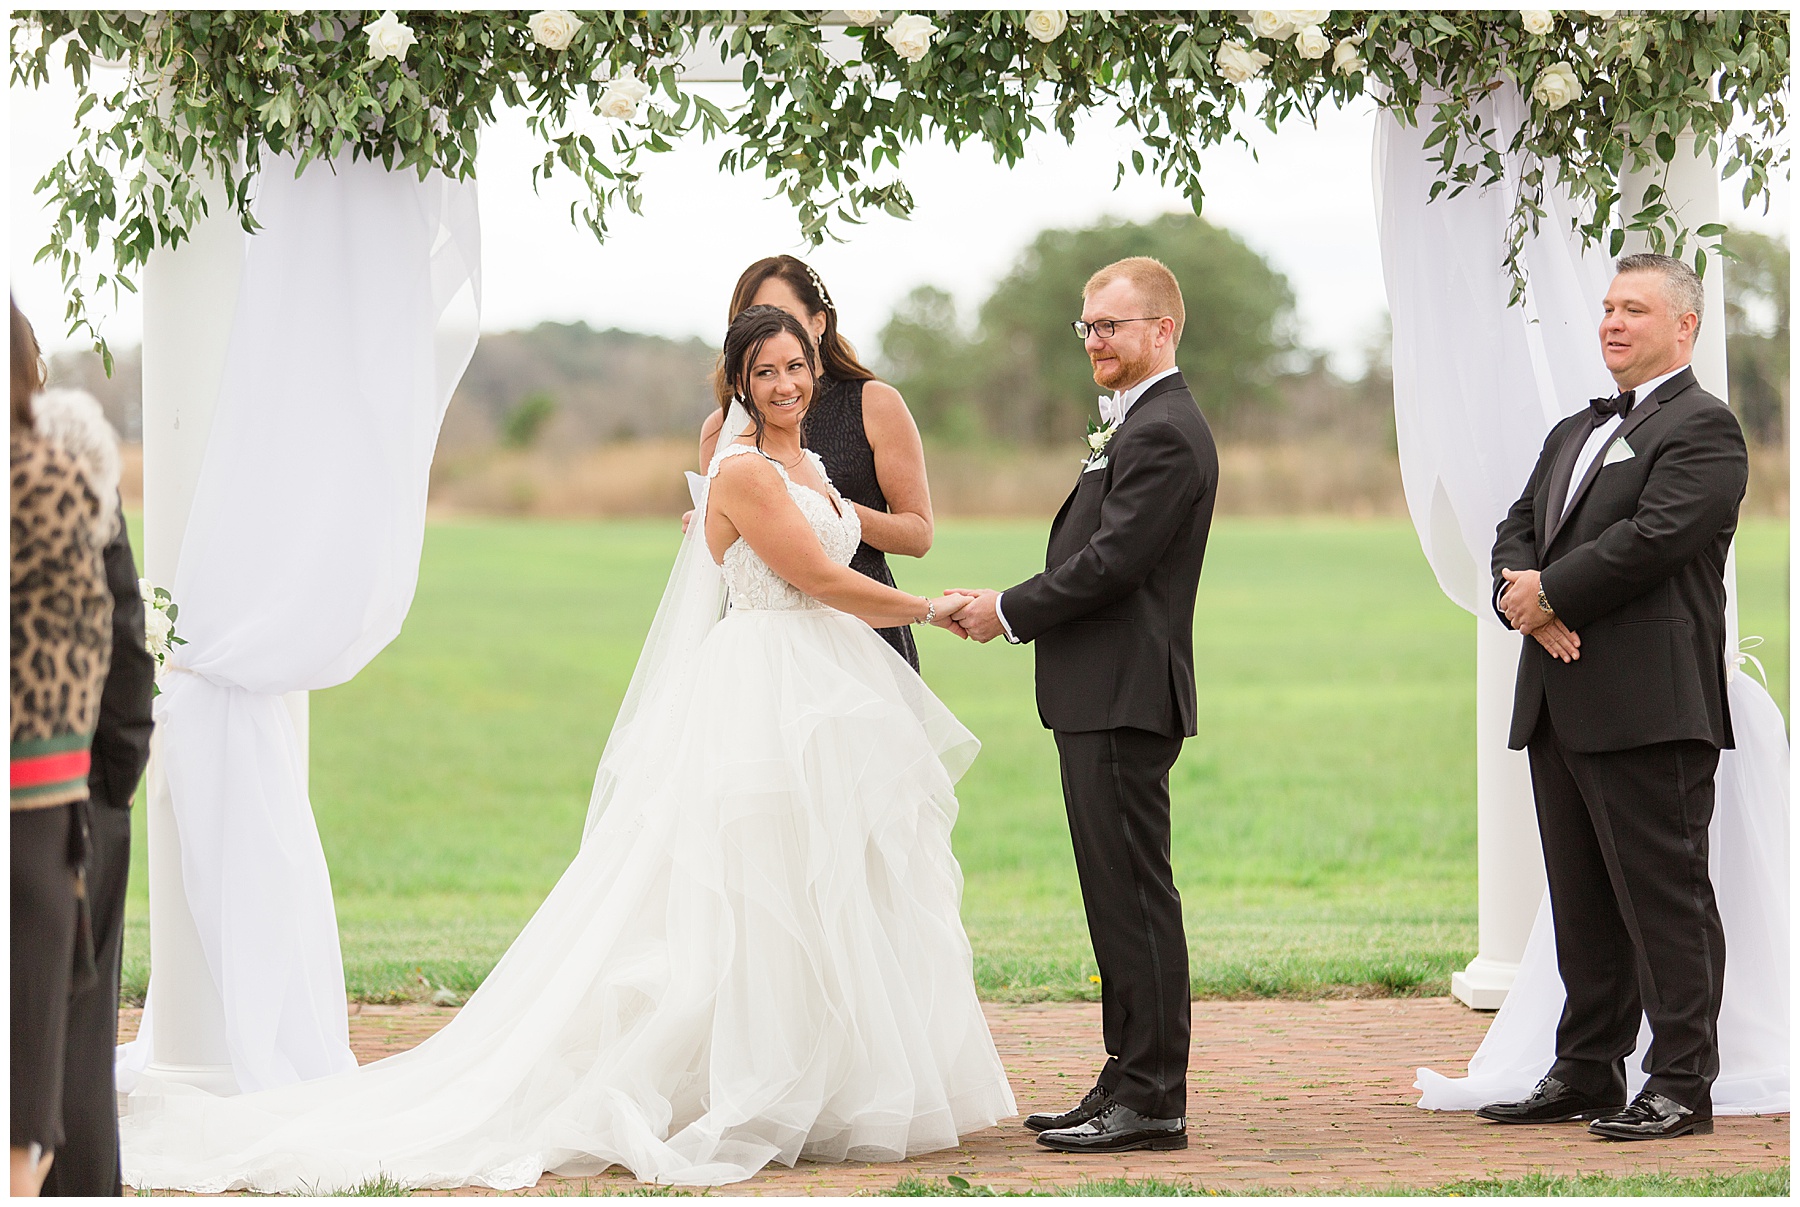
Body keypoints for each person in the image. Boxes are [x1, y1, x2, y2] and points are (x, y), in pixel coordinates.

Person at [117, 305, 1010, 1193]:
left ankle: (823, 1085)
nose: (787, 384)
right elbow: (817, 577)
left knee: (831, 883)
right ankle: (743, 1084)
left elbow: (862, 547)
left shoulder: (809, 463)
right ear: (740, 382)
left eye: (798, 366)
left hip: (826, 684)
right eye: (767, 371)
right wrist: (933, 607)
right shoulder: (740, 472)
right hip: (765, 685)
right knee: (754, 886)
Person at [944, 258, 1218, 1154]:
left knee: (1136, 896)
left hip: (1124, 694)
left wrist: (1006, 611)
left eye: (1113, 325)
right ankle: (1127, 1075)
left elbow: (1112, 563)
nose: (1096, 340)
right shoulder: (1134, 424)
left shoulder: (1167, 431)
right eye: (1087, 326)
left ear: (1162, 330)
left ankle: (1153, 1096)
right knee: (1115, 898)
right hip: (1097, 694)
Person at [1478, 254, 1749, 1141]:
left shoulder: (1706, 428)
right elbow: (1516, 526)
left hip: (1649, 704)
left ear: (1685, 326)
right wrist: (1523, 597)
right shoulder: (1574, 429)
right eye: (1605, 307)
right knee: (1581, 897)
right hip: (1558, 696)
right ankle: (1588, 1067)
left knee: (1663, 899)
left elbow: (1656, 537)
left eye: (1634, 308)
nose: (1611, 322)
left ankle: (1680, 1082)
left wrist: (1551, 594)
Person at [694, 256, 933, 671]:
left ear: (818, 322)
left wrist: (820, 511)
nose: (769, 327)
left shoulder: (873, 403)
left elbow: (919, 535)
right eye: (751, 317)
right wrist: (711, 524)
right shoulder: (721, 430)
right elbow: (724, 556)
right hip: (770, 646)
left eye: (782, 315)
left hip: (868, 619)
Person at [10, 301, 116, 1196]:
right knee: (31, 1072)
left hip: (42, 792)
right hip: (40, 795)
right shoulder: (62, 482)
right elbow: (100, 639)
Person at [42, 487, 155, 1195]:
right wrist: (115, 780)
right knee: (76, 1037)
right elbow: (123, 643)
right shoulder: (75, 484)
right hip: (65, 794)